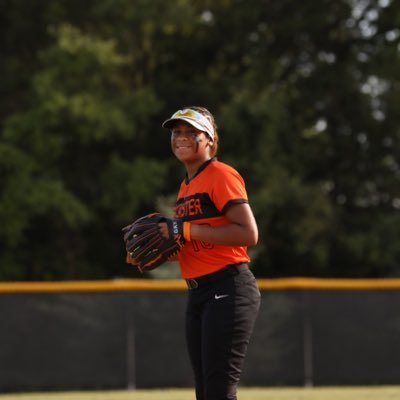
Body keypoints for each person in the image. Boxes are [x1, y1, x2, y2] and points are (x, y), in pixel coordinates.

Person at [160, 106, 261, 400]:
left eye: (192, 132)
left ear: (210, 139)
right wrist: (158, 254)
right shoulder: (185, 187)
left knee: (218, 391)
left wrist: (184, 230)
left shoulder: (220, 174)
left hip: (228, 288)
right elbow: (198, 243)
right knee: (205, 392)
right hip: (199, 293)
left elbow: (248, 233)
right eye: (177, 132)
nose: (182, 137)